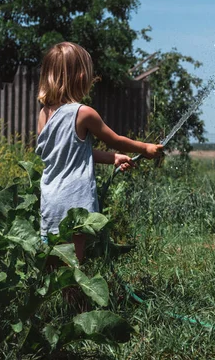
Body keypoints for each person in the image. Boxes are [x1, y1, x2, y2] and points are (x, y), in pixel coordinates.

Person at [35, 42, 163, 263]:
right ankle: (74, 299)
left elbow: (72, 151)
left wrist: (113, 158)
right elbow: (115, 139)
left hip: (51, 202)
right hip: (73, 201)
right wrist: (145, 148)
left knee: (55, 265)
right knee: (75, 267)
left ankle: (57, 297)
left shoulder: (43, 115)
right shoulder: (83, 113)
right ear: (82, 76)